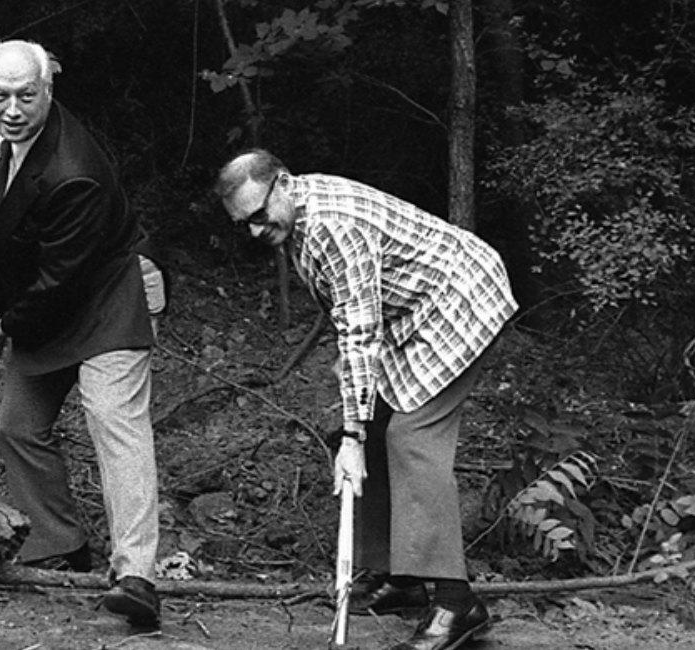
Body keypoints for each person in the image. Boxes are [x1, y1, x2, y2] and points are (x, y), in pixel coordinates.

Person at [213, 150, 515, 650]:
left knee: (411, 434)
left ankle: (458, 604)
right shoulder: (298, 218)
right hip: (414, 313)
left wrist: (349, 433)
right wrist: (357, 404)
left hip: (461, 298)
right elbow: (353, 308)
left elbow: (359, 328)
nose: (254, 231)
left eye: (259, 216)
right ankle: (400, 573)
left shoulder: (331, 226)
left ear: (283, 184)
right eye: (243, 224)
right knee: (375, 423)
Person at [0, 39, 163, 629]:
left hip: (105, 296)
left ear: (48, 90)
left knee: (114, 422)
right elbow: (1, 227)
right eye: (0, 96)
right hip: (46, 296)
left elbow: (61, 279)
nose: (13, 109)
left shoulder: (76, 170)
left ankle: (137, 578)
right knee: (18, 428)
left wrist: (1, 328)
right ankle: (61, 543)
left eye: (27, 96)